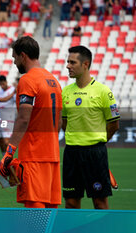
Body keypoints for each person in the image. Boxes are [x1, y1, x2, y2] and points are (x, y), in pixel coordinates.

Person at [0, 36, 62, 208]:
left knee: (35, 216)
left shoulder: (28, 80)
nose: (14, 62)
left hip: (34, 157)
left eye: (15, 57)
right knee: (50, 216)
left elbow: (23, 119)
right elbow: (61, 120)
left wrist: (9, 152)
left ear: (23, 56)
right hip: (53, 157)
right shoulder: (54, 81)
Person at [62, 45, 120, 209]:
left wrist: (98, 141)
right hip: (71, 153)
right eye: (68, 62)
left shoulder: (103, 92)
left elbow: (114, 124)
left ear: (85, 64)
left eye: (72, 62)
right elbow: (64, 123)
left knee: (100, 202)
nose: (68, 66)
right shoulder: (65, 92)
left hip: (95, 153)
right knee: (71, 202)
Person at [0, 75, 16, 156]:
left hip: (8, 119)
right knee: (0, 141)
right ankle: (5, 160)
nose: (2, 85)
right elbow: (4, 100)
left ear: (6, 82)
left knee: (6, 140)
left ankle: (9, 159)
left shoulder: (12, 90)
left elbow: (16, 101)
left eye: (3, 83)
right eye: (0, 84)